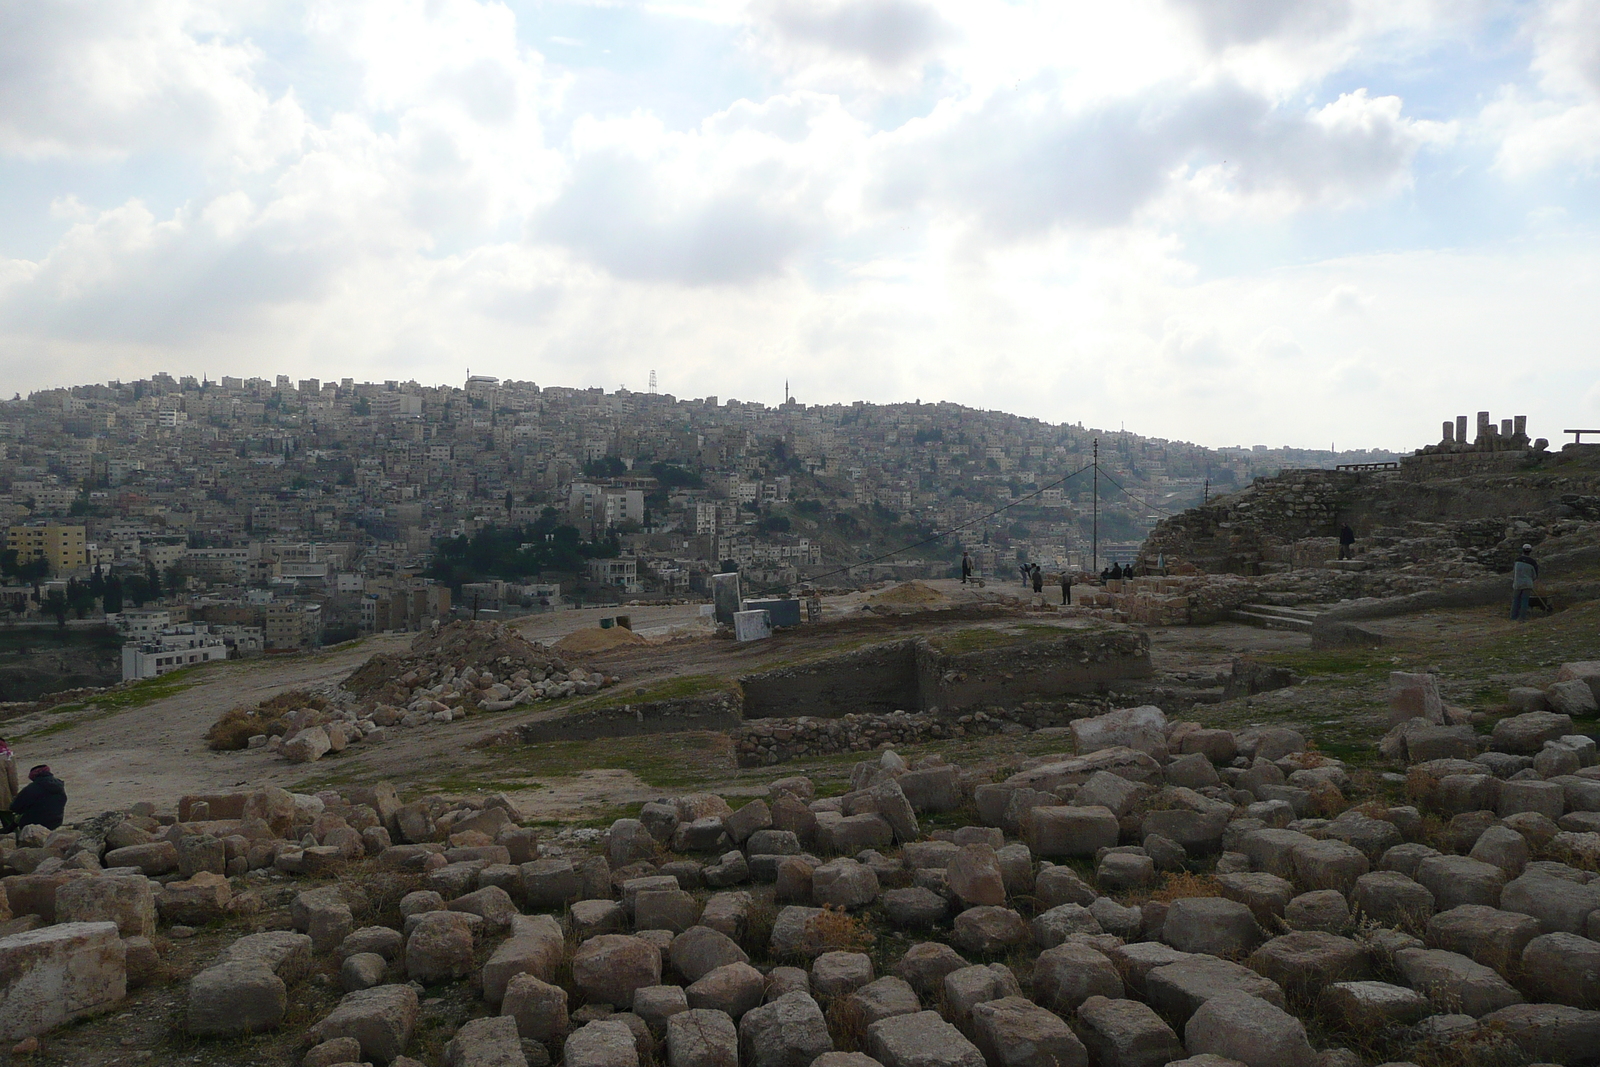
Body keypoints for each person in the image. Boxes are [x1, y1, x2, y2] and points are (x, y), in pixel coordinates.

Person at [10, 765, 66, 834]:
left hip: (34, 824)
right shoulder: (59, 785)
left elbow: (14, 807)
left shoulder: (31, 788)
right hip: (56, 822)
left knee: (17, 816)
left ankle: (11, 833)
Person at [1511, 544, 1539, 621]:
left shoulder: (1517, 560)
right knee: (1524, 600)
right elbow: (1535, 575)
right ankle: (1522, 618)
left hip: (1517, 583)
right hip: (1527, 584)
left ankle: (1513, 617)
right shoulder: (1532, 562)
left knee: (1516, 600)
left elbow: (1514, 572)